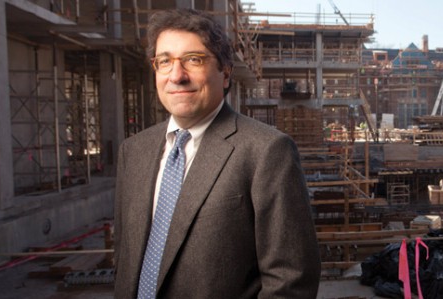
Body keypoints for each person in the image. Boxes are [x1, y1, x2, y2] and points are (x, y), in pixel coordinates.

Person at [113, 8, 321, 299]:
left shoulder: (267, 151)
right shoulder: (132, 151)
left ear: (225, 72)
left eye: (193, 60)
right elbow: (124, 257)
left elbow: (290, 282)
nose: (177, 75)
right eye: (164, 61)